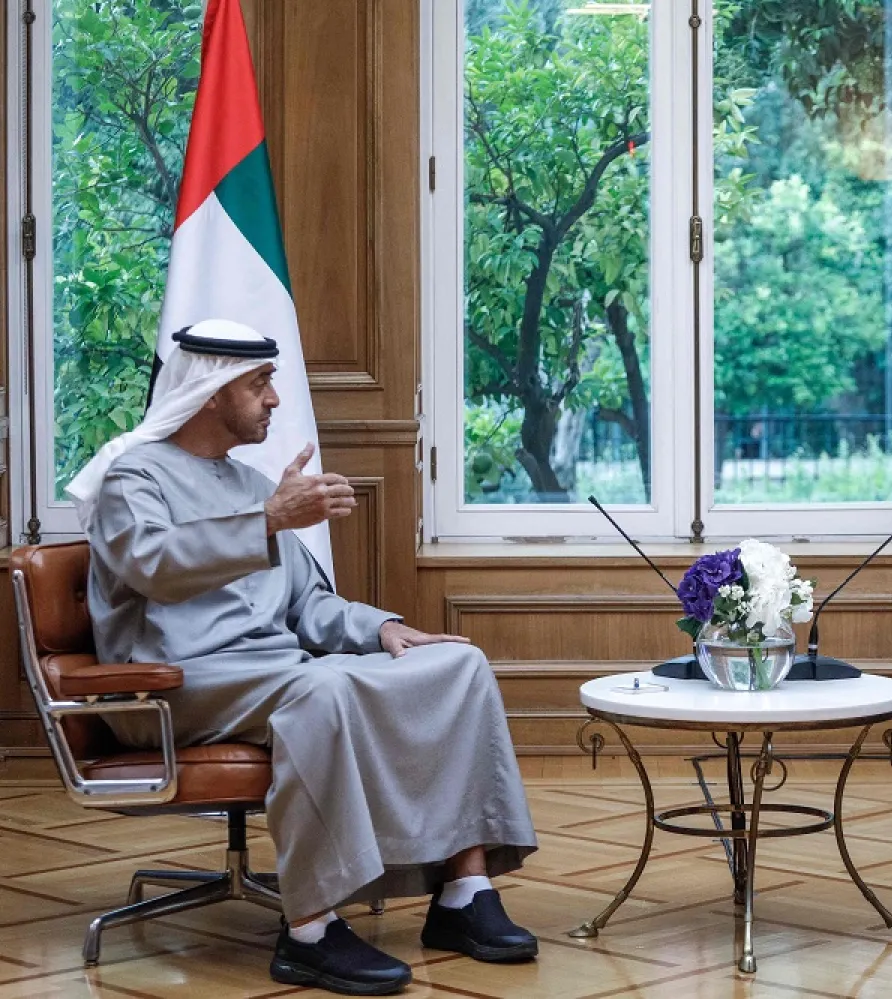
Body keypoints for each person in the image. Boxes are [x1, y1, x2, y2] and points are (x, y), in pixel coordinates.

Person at [67, 319, 539, 996]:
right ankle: (310, 931)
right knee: (320, 691)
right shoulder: (131, 478)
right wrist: (266, 519)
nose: (275, 399)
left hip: (268, 672)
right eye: (260, 384)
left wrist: (383, 630)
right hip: (174, 684)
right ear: (209, 392)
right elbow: (153, 567)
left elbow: (305, 606)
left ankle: (464, 890)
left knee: (456, 668)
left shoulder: (248, 480)